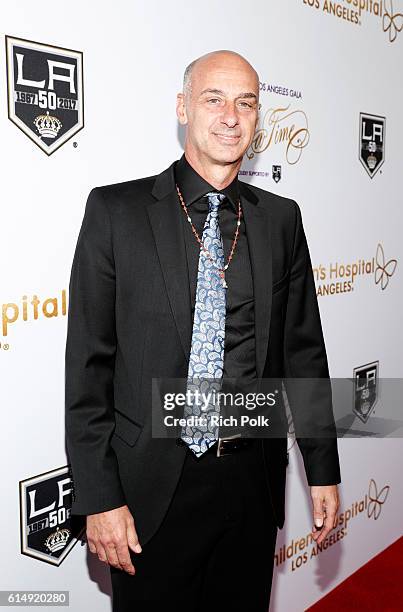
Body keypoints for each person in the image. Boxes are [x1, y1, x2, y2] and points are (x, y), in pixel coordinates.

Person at [65, 49, 341, 611]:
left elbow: (302, 351)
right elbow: (88, 370)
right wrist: (99, 497)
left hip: (252, 485)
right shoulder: (116, 213)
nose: (230, 116)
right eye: (214, 98)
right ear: (183, 107)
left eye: (246, 103)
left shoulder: (281, 219)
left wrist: (322, 469)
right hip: (150, 490)